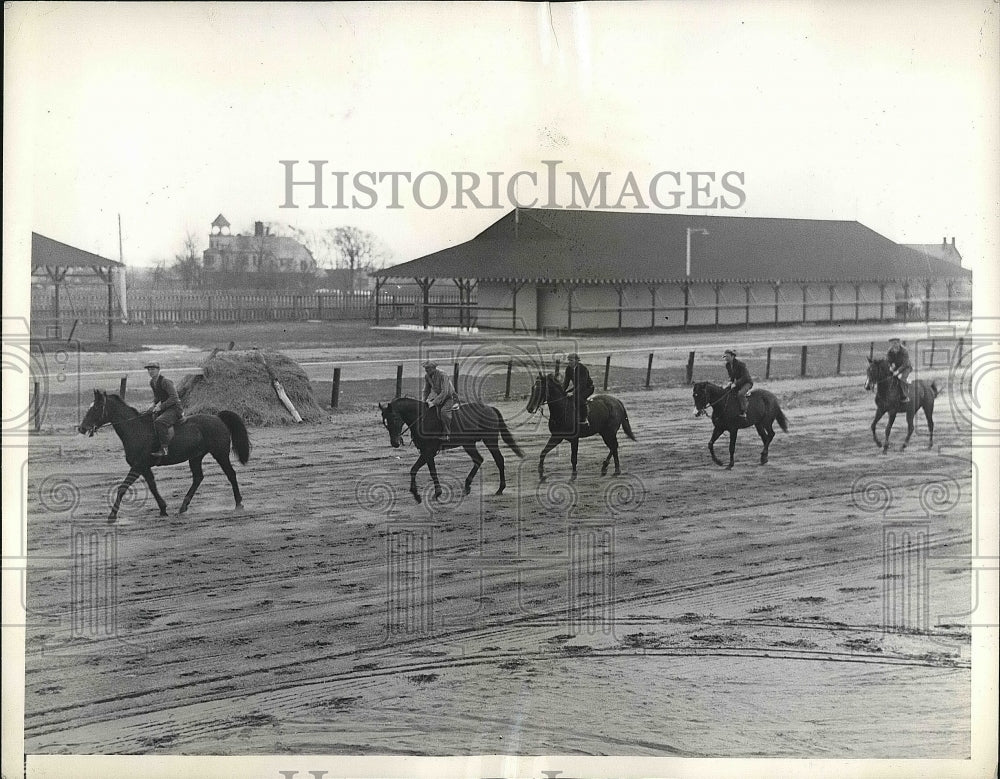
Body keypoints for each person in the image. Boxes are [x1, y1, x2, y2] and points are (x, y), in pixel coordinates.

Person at [145, 362, 182, 457]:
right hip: (166, 408)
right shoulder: (152, 382)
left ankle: (164, 449)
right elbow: (158, 396)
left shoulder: (165, 381)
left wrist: (160, 407)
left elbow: (174, 397)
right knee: (147, 417)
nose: (150, 371)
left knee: (159, 422)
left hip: (174, 408)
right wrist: (153, 404)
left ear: (158, 370)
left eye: (153, 369)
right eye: (149, 369)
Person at [422, 360, 457, 440]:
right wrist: (424, 400)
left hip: (449, 397)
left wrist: (433, 402)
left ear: (434, 368)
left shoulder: (442, 374)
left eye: (428, 368)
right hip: (439, 397)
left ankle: (447, 434)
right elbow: (426, 389)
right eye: (425, 368)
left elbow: (445, 391)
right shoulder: (427, 376)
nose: (426, 370)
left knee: (443, 412)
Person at [562, 353, 595, 425]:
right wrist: (561, 391)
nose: (569, 362)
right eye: (568, 360)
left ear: (577, 361)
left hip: (587, 388)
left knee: (578, 398)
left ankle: (584, 418)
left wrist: (573, 393)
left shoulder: (583, 369)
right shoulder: (568, 369)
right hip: (577, 387)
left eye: (571, 360)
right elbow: (566, 382)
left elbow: (582, 385)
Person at [723, 349, 753, 418]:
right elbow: (732, 376)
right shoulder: (727, 365)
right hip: (738, 383)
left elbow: (745, 377)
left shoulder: (741, 364)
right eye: (725, 356)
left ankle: (744, 411)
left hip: (747, 382)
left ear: (732, 356)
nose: (726, 358)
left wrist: (735, 383)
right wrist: (730, 382)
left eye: (727, 356)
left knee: (740, 394)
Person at [887, 337, 912, 403]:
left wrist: (898, 371)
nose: (893, 345)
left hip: (906, 368)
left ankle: (905, 396)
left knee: (901, 378)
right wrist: (890, 366)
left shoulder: (904, 351)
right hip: (895, 368)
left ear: (899, 343)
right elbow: (888, 361)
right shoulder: (890, 351)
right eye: (892, 344)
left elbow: (905, 364)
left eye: (895, 343)